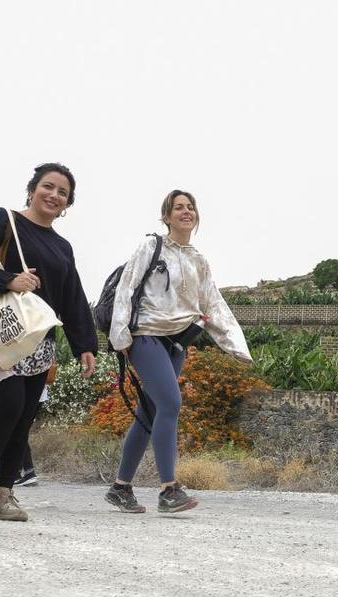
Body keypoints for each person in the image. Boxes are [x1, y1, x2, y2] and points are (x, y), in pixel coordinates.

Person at [0, 163, 96, 521]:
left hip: (41, 340)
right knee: (8, 405)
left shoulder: (62, 246)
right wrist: (9, 279)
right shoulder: (4, 220)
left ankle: (5, 492)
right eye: (47, 186)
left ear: (67, 204)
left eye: (63, 192)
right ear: (32, 189)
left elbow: (72, 297)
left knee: (23, 417)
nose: (54, 195)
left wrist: (85, 345)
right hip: (1, 334)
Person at [107, 190, 251, 514]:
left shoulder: (199, 260)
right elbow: (127, 288)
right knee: (170, 403)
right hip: (146, 336)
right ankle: (169, 489)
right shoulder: (151, 246)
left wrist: (235, 345)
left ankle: (120, 487)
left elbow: (213, 303)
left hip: (178, 343)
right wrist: (121, 337)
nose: (186, 212)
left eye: (190, 207)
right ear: (166, 216)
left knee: (150, 412)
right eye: (178, 208)